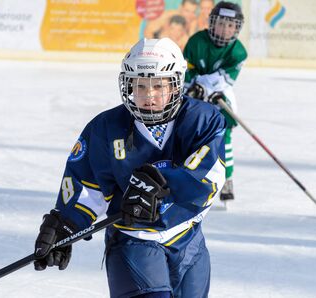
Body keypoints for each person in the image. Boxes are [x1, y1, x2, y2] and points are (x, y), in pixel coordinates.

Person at [34, 37, 227, 298]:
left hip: (188, 240)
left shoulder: (202, 120)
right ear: (128, 85)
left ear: (176, 84)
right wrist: (66, 224)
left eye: (159, 85)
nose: (149, 95)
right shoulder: (105, 129)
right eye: (140, 85)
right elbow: (87, 186)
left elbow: (209, 177)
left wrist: (162, 184)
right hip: (133, 241)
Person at [183, 1, 247, 204]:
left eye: (231, 25)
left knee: (224, 137)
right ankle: (188, 176)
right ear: (212, 22)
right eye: (221, 23)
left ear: (237, 29)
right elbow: (186, 70)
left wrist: (205, 87)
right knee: (187, 133)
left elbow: (225, 79)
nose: (225, 29)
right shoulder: (196, 42)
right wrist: (192, 86)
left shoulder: (239, 52)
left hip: (221, 98)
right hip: (193, 96)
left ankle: (227, 179)